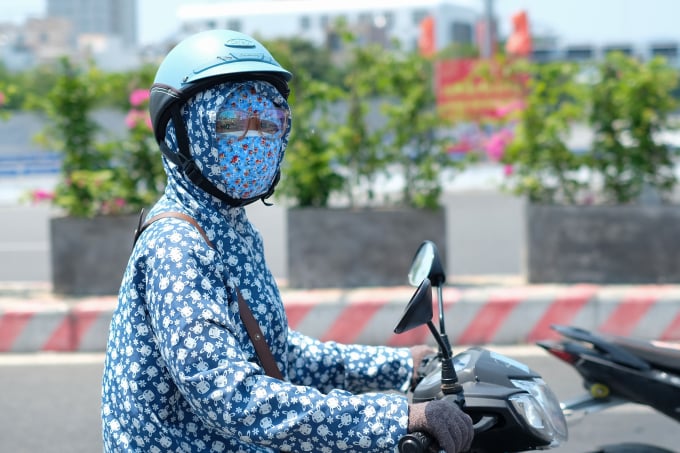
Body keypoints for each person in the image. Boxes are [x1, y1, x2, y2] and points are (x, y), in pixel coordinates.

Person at [101, 29, 474, 453]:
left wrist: (398, 366)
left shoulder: (229, 228)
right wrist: (394, 417)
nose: (255, 139)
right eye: (231, 122)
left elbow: (274, 353)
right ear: (181, 134)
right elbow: (231, 396)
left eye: (268, 121)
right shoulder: (178, 248)